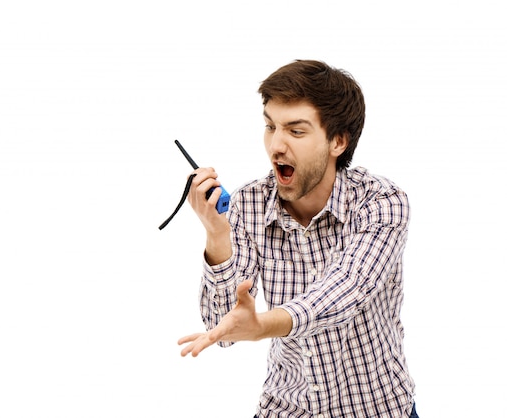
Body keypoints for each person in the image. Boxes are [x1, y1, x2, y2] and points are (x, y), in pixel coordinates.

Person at [177, 60, 418, 418]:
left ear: (338, 141)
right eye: (270, 126)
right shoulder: (249, 204)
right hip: (288, 408)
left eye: (296, 131)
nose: (276, 145)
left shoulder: (382, 202)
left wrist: (265, 326)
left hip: (379, 407)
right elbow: (223, 329)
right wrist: (216, 233)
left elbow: (345, 289)